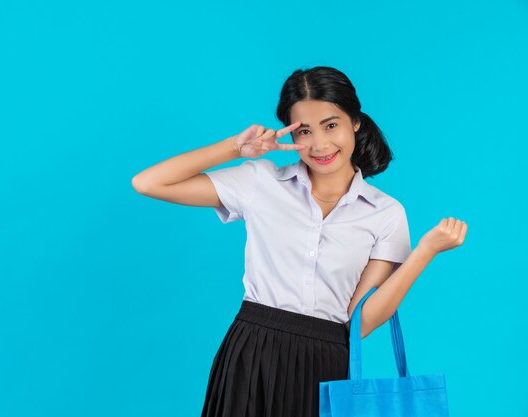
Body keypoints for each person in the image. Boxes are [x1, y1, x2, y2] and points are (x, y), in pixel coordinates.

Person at [131, 66, 468, 417]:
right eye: (305, 131)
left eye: (331, 125)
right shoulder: (261, 182)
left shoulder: (386, 213)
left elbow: (359, 323)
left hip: (326, 364)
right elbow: (149, 183)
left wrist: (425, 252)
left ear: (355, 121)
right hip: (251, 354)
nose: (320, 144)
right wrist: (235, 148)